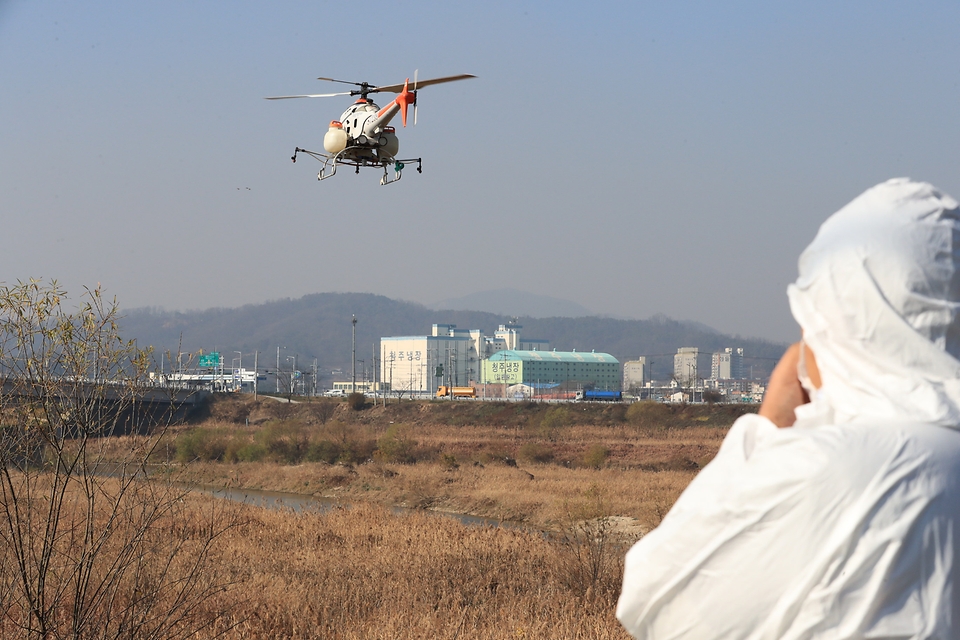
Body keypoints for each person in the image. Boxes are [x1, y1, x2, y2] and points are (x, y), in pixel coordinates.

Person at [617, 178, 960, 639]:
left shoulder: (836, 471)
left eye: (811, 327)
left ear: (843, 329)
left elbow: (655, 602)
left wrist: (765, 431)